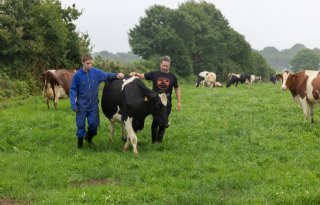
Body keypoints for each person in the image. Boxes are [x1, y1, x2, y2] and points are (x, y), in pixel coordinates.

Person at [70, 53, 124, 148]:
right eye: (87, 63)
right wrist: (73, 104)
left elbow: (107, 76)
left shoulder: (96, 72)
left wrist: (116, 75)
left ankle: (89, 138)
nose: (90, 65)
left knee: (94, 125)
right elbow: (73, 90)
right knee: (80, 125)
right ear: (83, 63)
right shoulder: (77, 75)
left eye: (91, 63)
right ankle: (80, 146)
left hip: (93, 105)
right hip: (81, 106)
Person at [130, 55, 181, 143]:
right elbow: (143, 76)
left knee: (163, 123)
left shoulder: (173, 77)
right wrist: (136, 74)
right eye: (163, 65)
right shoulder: (155, 74)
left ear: (170, 66)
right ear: (160, 65)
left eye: (167, 66)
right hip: (156, 104)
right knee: (155, 122)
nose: (165, 68)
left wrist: (179, 102)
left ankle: (159, 142)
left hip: (167, 104)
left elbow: (177, 88)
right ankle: (154, 142)